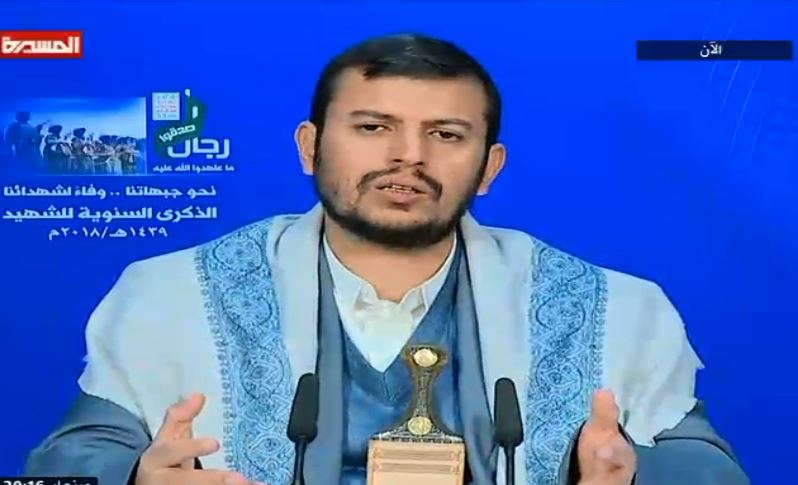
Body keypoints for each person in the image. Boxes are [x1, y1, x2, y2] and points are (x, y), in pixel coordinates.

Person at [25, 33, 750, 485]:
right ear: (311, 147)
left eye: (446, 134)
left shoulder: (611, 306)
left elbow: (710, 468)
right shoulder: (174, 291)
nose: (409, 156)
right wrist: (136, 476)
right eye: (373, 127)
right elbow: (65, 464)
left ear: (489, 167)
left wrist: (635, 474)